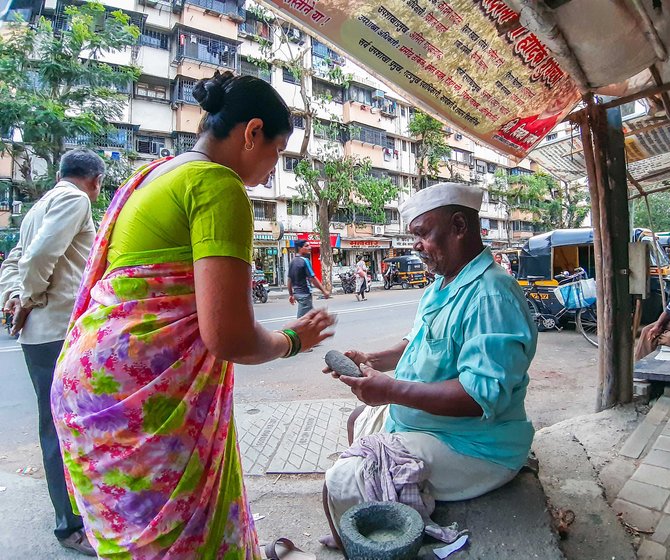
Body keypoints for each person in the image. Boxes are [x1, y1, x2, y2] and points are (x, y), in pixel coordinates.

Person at [49, 71, 335, 559]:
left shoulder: (154, 174)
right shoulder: (216, 185)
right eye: (277, 151)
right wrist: (293, 341)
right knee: (180, 545)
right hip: (140, 402)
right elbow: (228, 337)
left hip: (88, 386)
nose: (273, 167)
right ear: (251, 133)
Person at [322, 182, 538, 551]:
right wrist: (372, 361)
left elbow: (477, 397)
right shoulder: (444, 283)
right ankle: (371, 528)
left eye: (423, 234)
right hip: (431, 427)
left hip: (475, 446)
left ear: (458, 226)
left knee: (341, 479)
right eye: (413, 236)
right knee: (357, 419)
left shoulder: (491, 295)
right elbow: (417, 343)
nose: (416, 245)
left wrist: (389, 390)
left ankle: (367, 540)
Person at [0, 148, 106, 556]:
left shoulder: (38, 207)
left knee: (58, 423)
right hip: (58, 328)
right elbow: (40, 256)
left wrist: (15, 296)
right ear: (95, 180)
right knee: (64, 425)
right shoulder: (76, 199)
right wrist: (24, 299)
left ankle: (74, 512)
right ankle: (69, 524)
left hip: (41, 332)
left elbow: (15, 259)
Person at [635, 271, 670, 361]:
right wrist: (657, 326)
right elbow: (668, 312)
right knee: (647, 330)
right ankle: (640, 363)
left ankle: (660, 337)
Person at [288, 239, 329, 318]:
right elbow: (312, 278)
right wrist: (324, 291)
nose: (309, 247)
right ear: (300, 248)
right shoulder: (305, 261)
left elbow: (289, 280)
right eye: (306, 246)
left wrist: (291, 295)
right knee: (301, 322)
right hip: (304, 295)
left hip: (297, 294)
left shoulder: (292, 261)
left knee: (312, 318)